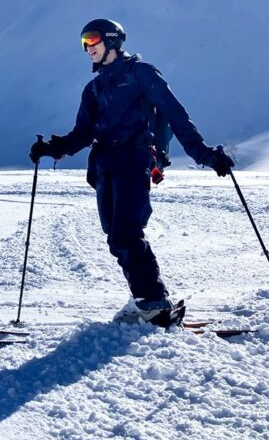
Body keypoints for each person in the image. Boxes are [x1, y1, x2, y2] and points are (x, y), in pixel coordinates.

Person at [29, 18, 234, 326]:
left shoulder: (141, 73)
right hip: (104, 166)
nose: (87, 47)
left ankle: (153, 303)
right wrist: (52, 148)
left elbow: (176, 115)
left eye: (92, 39)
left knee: (127, 232)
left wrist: (205, 154)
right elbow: (83, 132)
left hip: (133, 160)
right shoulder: (94, 88)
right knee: (117, 238)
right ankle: (147, 301)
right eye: (84, 42)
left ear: (112, 39)